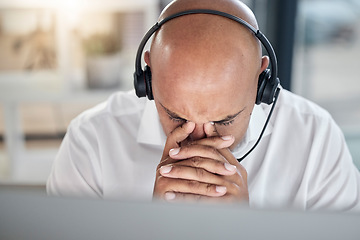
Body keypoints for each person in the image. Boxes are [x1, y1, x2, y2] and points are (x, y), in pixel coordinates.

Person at [47, 0, 360, 211]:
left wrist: (247, 230)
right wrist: (152, 227)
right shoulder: (91, 141)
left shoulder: (316, 139)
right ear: (148, 77)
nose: (197, 139)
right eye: (176, 116)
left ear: (260, 82)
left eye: (224, 121)